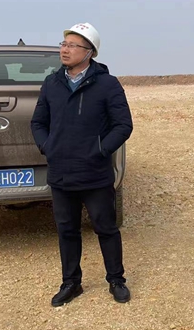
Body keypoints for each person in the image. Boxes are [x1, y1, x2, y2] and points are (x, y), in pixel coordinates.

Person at [31, 22, 134, 307]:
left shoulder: (107, 84)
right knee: (67, 230)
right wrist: (47, 146)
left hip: (95, 173)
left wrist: (100, 150)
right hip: (61, 174)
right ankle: (71, 283)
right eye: (63, 44)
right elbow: (38, 122)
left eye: (72, 46)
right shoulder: (52, 83)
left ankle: (116, 280)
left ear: (89, 52)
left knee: (106, 228)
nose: (64, 50)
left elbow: (123, 125)